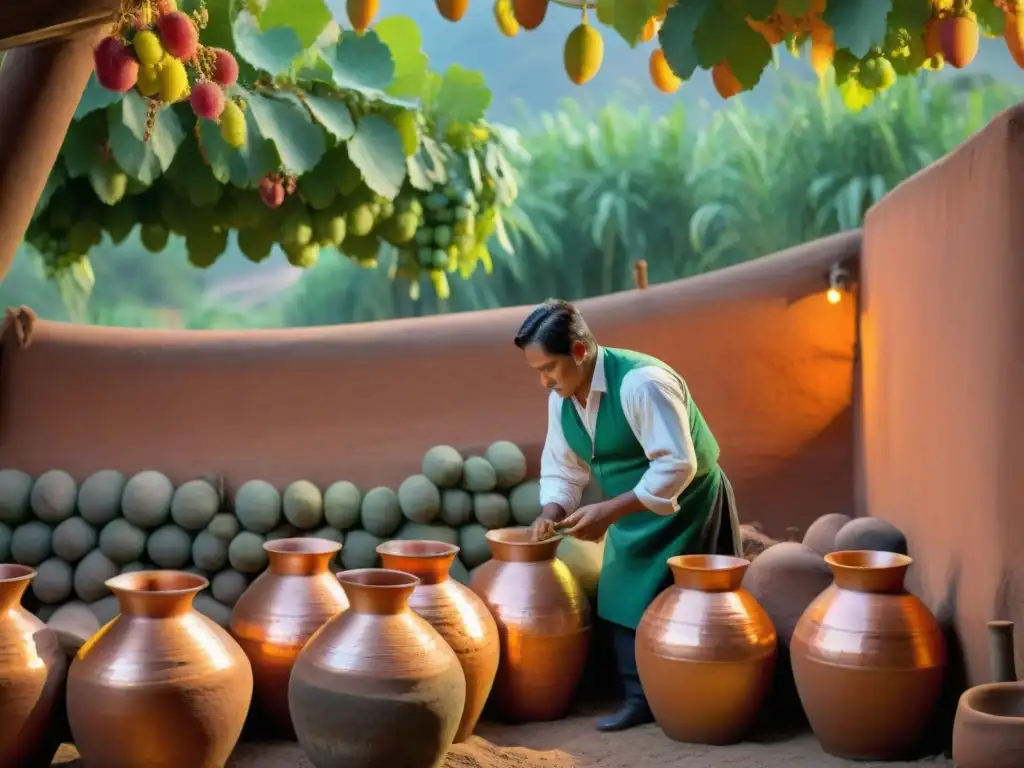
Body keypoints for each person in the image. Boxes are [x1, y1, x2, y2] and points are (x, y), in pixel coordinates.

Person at [514, 298, 741, 732]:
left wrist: (610, 510)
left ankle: (698, 700)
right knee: (619, 595)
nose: (544, 382)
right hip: (630, 509)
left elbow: (677, 465)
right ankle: (640, 699)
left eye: (550, 369)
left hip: (689, 504)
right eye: (537, 371)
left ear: (580, 352)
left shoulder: (643, 383)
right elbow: (564, 468)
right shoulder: (561, 400)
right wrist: (551, 511)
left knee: (686, 605)